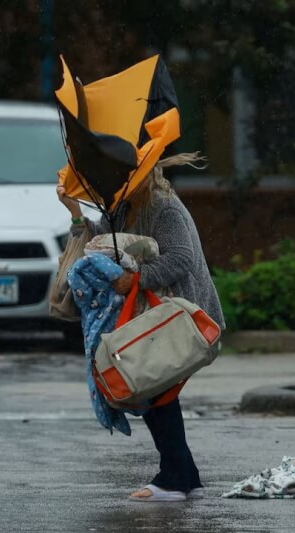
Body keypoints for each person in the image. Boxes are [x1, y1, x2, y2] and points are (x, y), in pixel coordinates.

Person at [56, 153, 226, 502]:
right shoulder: (119, 206)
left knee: (154, 388)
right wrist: (74, 211)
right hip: (152, 314)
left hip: (182, 314)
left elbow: (182, 259)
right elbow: (99, 242)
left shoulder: (165, 207)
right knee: (151, 387)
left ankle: (174, 479)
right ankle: (183, 475)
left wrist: (137, 277)